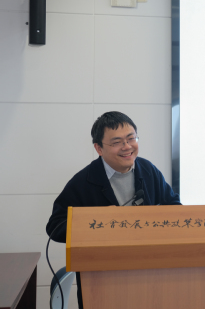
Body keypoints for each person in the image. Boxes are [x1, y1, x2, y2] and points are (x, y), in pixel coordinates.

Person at [46, 111, 180, 309]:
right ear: (99, 148)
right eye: (117, 142)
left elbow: (175, 207)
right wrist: (96, 221)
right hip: (101, 279)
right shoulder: (83, 181)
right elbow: (55, 227)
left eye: (131, 138)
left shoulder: (148, 170)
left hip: (148, 272)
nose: (127, 147)